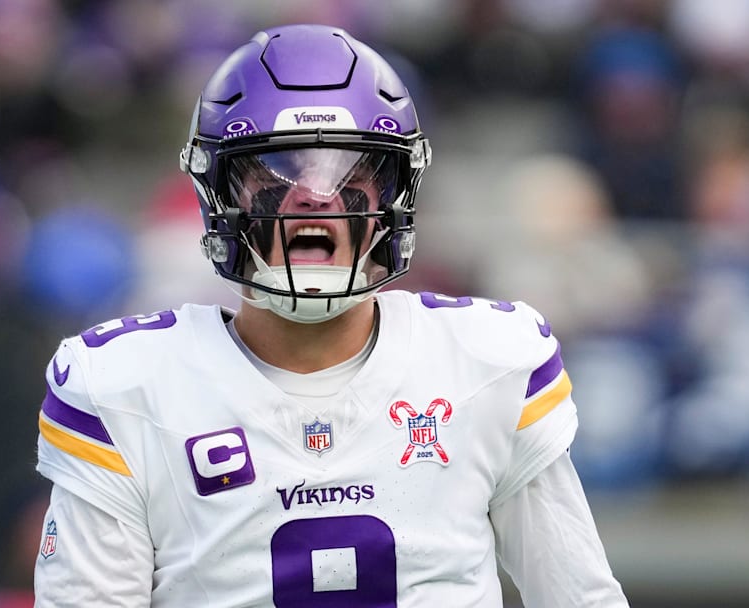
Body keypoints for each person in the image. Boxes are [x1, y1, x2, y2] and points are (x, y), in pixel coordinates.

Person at [33, 24, 628, 607]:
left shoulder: (488, 362)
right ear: (219, 195)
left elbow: (579, 597)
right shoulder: (124, 389)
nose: (315, 197)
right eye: (275, 171)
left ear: (392, 197)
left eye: (350, 172)